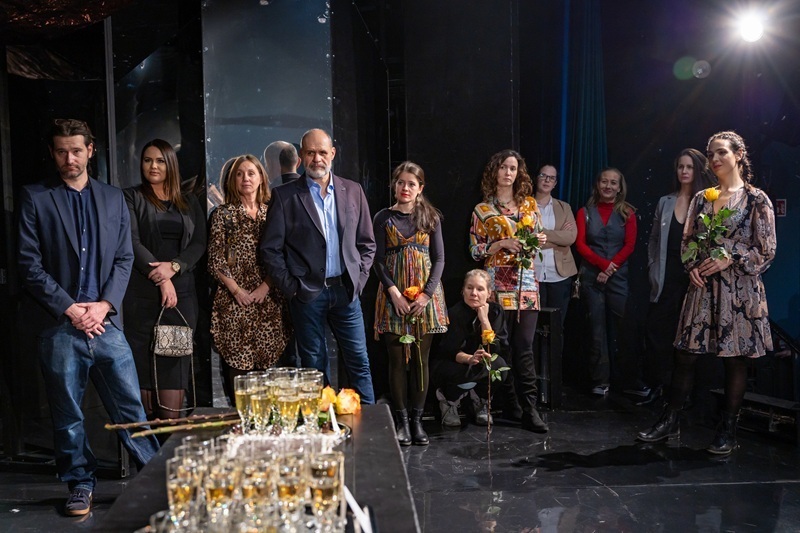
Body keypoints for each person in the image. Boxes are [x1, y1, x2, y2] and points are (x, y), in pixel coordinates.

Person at [17, 119, 159, 516]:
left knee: (131, 409)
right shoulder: (35, 198)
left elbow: (125, 258)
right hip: (60, 325)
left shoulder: (113, 199)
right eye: (62, 151)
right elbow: (28, 265)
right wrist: (71, 308)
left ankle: (156, 478)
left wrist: (103, 305)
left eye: (76, 150)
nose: (70, 159)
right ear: (52, 153)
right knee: (68, 415)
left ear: (90, 150)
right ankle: (80, 483)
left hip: (106, 323)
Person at [638, 131, 776, 455]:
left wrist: (732, 257)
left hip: (739, 291)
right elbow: (687, 241)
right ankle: (669, 419)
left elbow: (766, 250)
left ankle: (727, 429)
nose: (714, 159)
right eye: (711, 154)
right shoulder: (703, 198)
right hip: (703, 287)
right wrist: (692, 266)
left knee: (735, 360)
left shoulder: (756, 199)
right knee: (684, 354)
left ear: (738, 154)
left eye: (721, 152)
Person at [260, 129, 376, 404]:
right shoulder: (284, 196)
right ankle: (323, 424)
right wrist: (292, 288)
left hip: (345, 291)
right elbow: (270, 249)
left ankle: (371, 424)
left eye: (322, 152)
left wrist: (358, 279)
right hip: (306, 294)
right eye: (310, 152)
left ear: (332, 154)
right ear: (301, 156)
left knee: (359, 362)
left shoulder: (353, 191)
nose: (317, 158)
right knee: (314, 366)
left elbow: (367, 243)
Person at [123, 139, 206, 421]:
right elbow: (131, 242)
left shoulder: (188, 201)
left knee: (172, 378)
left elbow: (199, 243)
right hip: (142, 299)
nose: (153, 166)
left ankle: (171, 444)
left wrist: (175, 267)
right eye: (148, 160)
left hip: (180, 301)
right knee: (144, 379)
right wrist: (162, 279)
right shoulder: (131, 197)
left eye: (160, 160)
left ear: (170, 164)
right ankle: (145, 448)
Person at [469, 149, 549, 433]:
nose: (508, 173)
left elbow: (537, 239)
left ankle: (530, 408)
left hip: (526, 284)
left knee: (524, 346)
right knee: (501, 347)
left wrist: (538, 239)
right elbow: (474, 250)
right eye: (503, 167)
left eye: (513, 168)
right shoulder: (483, 209)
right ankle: (511, 403)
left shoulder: (529, 205)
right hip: (497, 286)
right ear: (495, 171)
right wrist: (501, 244)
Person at [373, 161, 448, 445]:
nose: (405, 188)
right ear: (394, 185)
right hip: (393, 297)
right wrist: (393, 292)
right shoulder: (383, 217)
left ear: (420, 188)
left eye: (411, 184)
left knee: (420, 360)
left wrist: (426, 295)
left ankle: (417, 422)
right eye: (401, 182)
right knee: (396, 361)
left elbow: (439, 259)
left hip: (424, 300)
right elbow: (378, 260)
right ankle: (402, 421)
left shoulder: (430, 217)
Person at [208, 154, 292, 404]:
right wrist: (237, 291)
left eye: (251, 173)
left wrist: (266, 286)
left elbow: (283, 255)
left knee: (268, 372)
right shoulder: (223, 215)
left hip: (269, 301)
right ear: (232, 180)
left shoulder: (273, 213)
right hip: (234, 302)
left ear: (261, 178)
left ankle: (266, 421)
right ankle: (241, 419)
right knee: (239, 373)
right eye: (239, 174)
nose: (245, 178)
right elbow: (215, 260)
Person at [640, 149, 715, 403]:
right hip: (666, 273)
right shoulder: (666, 201)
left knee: (690, 335)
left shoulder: (707, 201)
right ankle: (660, 386)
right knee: (658, 331)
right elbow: (653, 238)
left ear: (698, 170)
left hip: (694, 276)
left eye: (689, 167)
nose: (684, 171)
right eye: (681, 166)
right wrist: (652, 266)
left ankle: (688, 393)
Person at [575, 167, 642, 396]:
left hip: (618, 278)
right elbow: (581, 245)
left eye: (613, 183)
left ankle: (628, 380)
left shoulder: (628, 213)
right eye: (604, 181)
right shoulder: (585, 212)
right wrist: (603, 266)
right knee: (596, 330)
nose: (608, 186)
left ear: (620, 187)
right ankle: (600, 381)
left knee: (625, 329)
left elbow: (630, 245)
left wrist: (610, 268)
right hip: (591, 278)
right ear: (598, 184)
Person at [432, 270, 513, 427]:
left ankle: (480, 400)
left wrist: (484, 319)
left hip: (481, 361)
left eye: (480, 289)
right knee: (456, 370)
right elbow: (449, 351)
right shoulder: (454, 313)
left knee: (499, 366)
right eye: (469, 288)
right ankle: (449, 401)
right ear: (463, 290)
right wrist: (470, 358)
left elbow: (495, 349)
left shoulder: (496, 311)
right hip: (455, 362)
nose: (474, 293)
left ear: (489, 293)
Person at [533, 164, 578, 330]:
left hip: (559, 276)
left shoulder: (564, 207)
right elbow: (525, 238)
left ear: (555, 183)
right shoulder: (524, 205)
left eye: (551, 178)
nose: (547, 180)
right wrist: (558, 237)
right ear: (536, 178)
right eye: (543, 175)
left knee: (556, 327)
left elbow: (570, 237)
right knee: (533, 326)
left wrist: (542, 234)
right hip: (533, 275)